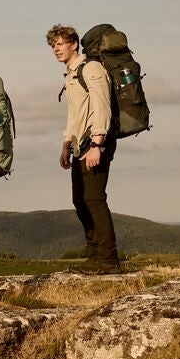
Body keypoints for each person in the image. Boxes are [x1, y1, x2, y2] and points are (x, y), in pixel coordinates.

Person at [48, 24, 121, 273]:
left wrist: (98, 144)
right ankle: (94, 256)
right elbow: (75, 113)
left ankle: (108, 259)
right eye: (53, 45)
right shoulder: (71, 73)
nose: (56, 49)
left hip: (95, 142)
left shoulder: (91, 68)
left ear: (74, 44)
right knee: (80, 200)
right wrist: (66, 143)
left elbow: (103, 106)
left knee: (94, 199)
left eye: (60, 44)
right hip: (80, 145)